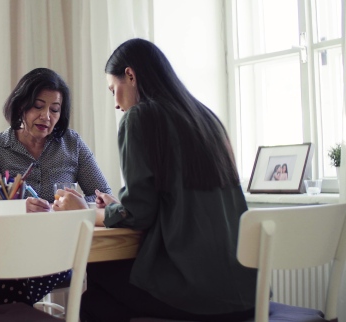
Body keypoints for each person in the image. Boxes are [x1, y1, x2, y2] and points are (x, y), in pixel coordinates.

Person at [54, 39, 257, 322]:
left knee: (95, 280)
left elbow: (138, 215)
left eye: (114, 90)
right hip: (247, 294)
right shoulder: (207, 119)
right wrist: (118, 205)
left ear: (131, 75)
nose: (115, 103)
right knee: (103, 295)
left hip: (199, 295)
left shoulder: (140, 118)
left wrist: (86, 212)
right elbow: (169, 201)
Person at [0, 67, 112, 307]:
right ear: (21, 106)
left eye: (54, 109)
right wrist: (19, 207)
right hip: (6, 247)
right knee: (6, 280)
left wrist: (78, 204)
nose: (46, 116)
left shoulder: (72, 144)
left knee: (4, 286)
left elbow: (103, 194)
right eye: (38, 106)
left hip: (56, 251)